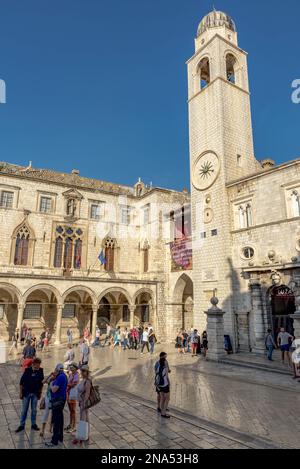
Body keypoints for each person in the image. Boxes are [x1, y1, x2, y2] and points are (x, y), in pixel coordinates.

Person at [16, 357, 44, 433]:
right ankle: (22, 425)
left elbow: (41, 383)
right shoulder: (27, 371)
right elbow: (21, 382)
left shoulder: (40, 371)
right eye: (37, 365)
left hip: (35, 393)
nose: (39, 366)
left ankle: (33, 424)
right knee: (24, 410)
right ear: (33, 364)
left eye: (39, 365)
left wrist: (40, 393)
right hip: (26, 393)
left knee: (34, 410)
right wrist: (21, 393)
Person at [45, 363, 68, 447]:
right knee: (60, 419)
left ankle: (54, 441)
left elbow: (54, 390)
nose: (54, 371)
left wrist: (51, 385)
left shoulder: (60, 377)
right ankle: (60, 437)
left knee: (56, 420)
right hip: (61, 399)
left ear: (58, 370)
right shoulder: (63, 376)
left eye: (55, 370)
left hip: (58, 401)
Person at [72, 365, 92, 445]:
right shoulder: (83, 380)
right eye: (82, 371)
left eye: (84, 371)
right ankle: (86, 435)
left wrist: (84, 404)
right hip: (81, 403)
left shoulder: (87, 381)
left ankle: (80, 437)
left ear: (87, 372)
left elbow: (87, 394)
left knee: (83, 420)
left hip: (84, 403)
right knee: (85, 419)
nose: (82, 372)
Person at [40, 370, 57, 438]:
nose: (55, 375)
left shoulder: (58, 381)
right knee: (46, 413)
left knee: (53, 414)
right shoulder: (51, 379)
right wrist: (50, 375)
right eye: (54, 373)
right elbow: (43, 382)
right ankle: (42, 430)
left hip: (54, 399)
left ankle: (51, 428)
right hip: (48, 398)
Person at [154, 352, 171, 419]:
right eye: (165, 357)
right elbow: (166, 377)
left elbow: (156, 373)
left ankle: (161, 409)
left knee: (161, 397)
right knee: (167, 398)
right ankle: (163, 412)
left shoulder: (158, 365)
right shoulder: (165, 367)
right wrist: (169, 383)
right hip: (165, 384)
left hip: (158, 383)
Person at [65, 362, 79, 433]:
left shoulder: (76, 375)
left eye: (72, 366)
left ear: (75, 368)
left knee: (73, 410)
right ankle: (70, 424)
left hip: (73, 395)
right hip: (68, 394)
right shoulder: (71, 374)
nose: (70, 367)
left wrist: (67, 384)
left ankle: (74, 426)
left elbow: (73, 384)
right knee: (70, 410)